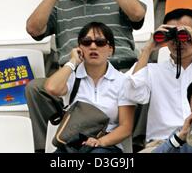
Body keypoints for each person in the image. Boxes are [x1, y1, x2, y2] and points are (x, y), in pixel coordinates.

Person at [25, 0, 146, 151]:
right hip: (74, 75)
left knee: (142, 82)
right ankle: (45, 145)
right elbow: (33, 29)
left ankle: (136, 145)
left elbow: (137, 14)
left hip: (120, 70)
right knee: (35, 88)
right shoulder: (60, 0)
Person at [124, 8, 192, 152]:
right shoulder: (152, 70)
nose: (178, 41)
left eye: (185, 34)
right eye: (172, 35)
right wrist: (147, 49)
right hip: (163, 143)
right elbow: (131, 94)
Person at [45, 21, 135, 153]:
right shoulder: (72, 76)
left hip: (106, 145)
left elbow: (126, 127)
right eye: (87, 42)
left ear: (111, 49)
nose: (93, 46)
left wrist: (99, 142)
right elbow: (52, 88)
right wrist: (72, 61)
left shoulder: (122, 81)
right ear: (79, 48)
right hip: (72, 143)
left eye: (100, 42)